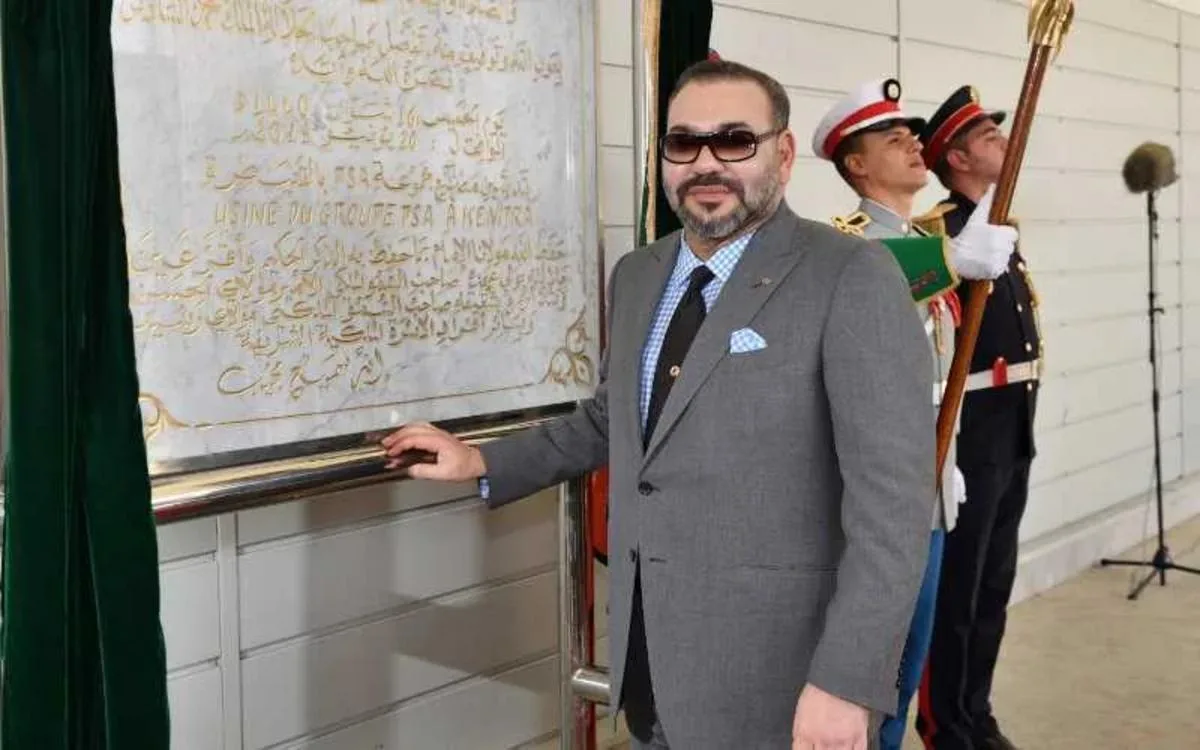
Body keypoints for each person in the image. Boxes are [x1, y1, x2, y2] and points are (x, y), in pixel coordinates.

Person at [383, 59, 936, 750]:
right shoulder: (640, 274)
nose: (707, 163)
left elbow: (893, 508)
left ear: (784, 154)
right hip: (650, 665)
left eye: (735, 140)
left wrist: (847, 682)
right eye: (684, 142)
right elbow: (612, 419)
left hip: (784, 682)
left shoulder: (850, 274)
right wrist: (482, 461)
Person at [811, 78, 1015, 750]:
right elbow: (873, 278)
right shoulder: (848, 247)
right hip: (877, 501)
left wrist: (947, 460)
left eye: (912, 135)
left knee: (904, 674)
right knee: (866, 678)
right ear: (856, 165)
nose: (911, 145)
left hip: (928, 488)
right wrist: (953, 257)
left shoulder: (919, 242)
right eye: (891, 139)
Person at [913, 85, 1041, 750]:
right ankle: (945, 724)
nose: (1005, 143)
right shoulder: (941, 231)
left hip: (1013, 425)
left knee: (994, 582)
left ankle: (975, 710)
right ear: (957, 158)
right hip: (973, 428)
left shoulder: (1000, 225)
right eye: (989, 138)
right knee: (958, 589)